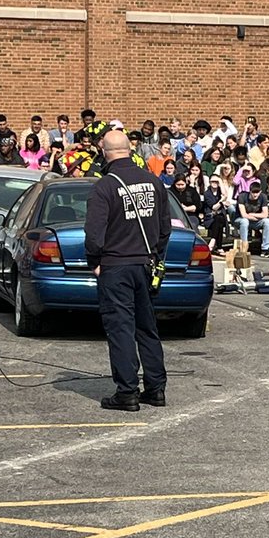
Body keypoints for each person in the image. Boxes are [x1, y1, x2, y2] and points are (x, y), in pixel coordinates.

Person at [85, 130, 171, 412]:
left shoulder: (105, 186)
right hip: (145, 263)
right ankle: (156, 388)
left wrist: (94, 262)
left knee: (121, 328)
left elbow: (94, 235)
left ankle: (127, 392)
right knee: (147, 327)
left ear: (104, 152)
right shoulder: (153, 182)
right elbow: (165, 228)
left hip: (115, 265)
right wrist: (154, 254)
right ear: (130, 150)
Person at [235, 181, 269, 256]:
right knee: (244, 221)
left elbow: (265, 214)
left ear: (260, 192)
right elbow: (244, 215)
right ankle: (244, 246)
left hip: (255, 220)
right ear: (250, 191)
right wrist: (255, 217)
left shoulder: (263, 197)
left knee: (267, 222)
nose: (255, 194)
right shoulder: (242, 196)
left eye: (257, 192)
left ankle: (265, 249)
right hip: (240, 220)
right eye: (253, 192)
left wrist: (252, 214)